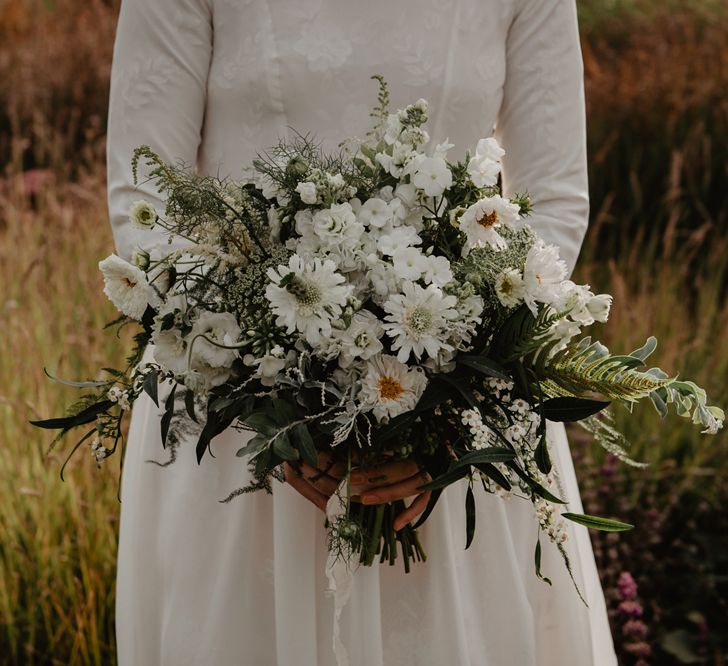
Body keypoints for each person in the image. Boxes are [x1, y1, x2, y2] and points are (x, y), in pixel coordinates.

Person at [107, 0, 618, 664]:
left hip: (458, 434)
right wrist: (273, 409)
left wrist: (443, 421)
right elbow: (146, 197)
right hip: (241, 425)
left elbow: (551, 199)